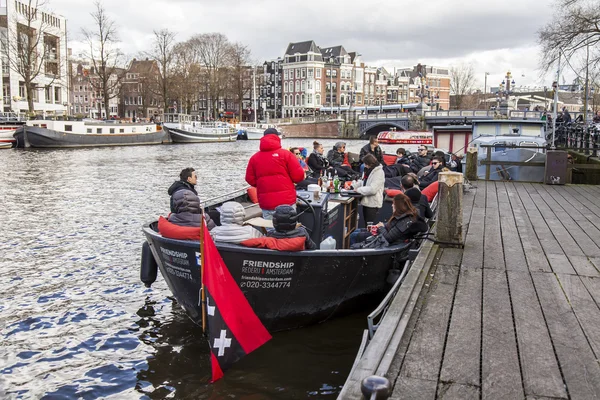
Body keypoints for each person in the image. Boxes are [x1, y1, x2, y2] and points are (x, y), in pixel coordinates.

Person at [245, 128, 306, 219]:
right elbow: (298, 176)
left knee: (270, 230)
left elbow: (249, 179)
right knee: (290, 229)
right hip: (287, 201)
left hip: (267, 203)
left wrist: (262, 183)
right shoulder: (286, 155)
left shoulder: (254, 158)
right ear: (277, 137)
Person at [350, 193, 428, 248]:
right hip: (383, 235)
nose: (392, 205)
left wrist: (380, 227)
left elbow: (387, 238)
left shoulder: (404, 222)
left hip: (385, 242)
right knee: (357, 230)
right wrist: (382, 225)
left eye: (393, 204)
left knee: (353, 235)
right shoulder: (404, 216)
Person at [353, 154, 385, 227]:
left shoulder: (379, 172)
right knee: (366, 224)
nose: (364, 165)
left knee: (369, 225)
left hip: (373, 204)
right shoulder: (369, 170)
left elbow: (373, 189)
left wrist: (358, 190)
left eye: (365, 164)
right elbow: (364, 182)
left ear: (370, 163)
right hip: (366, 202)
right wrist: (353, 186)